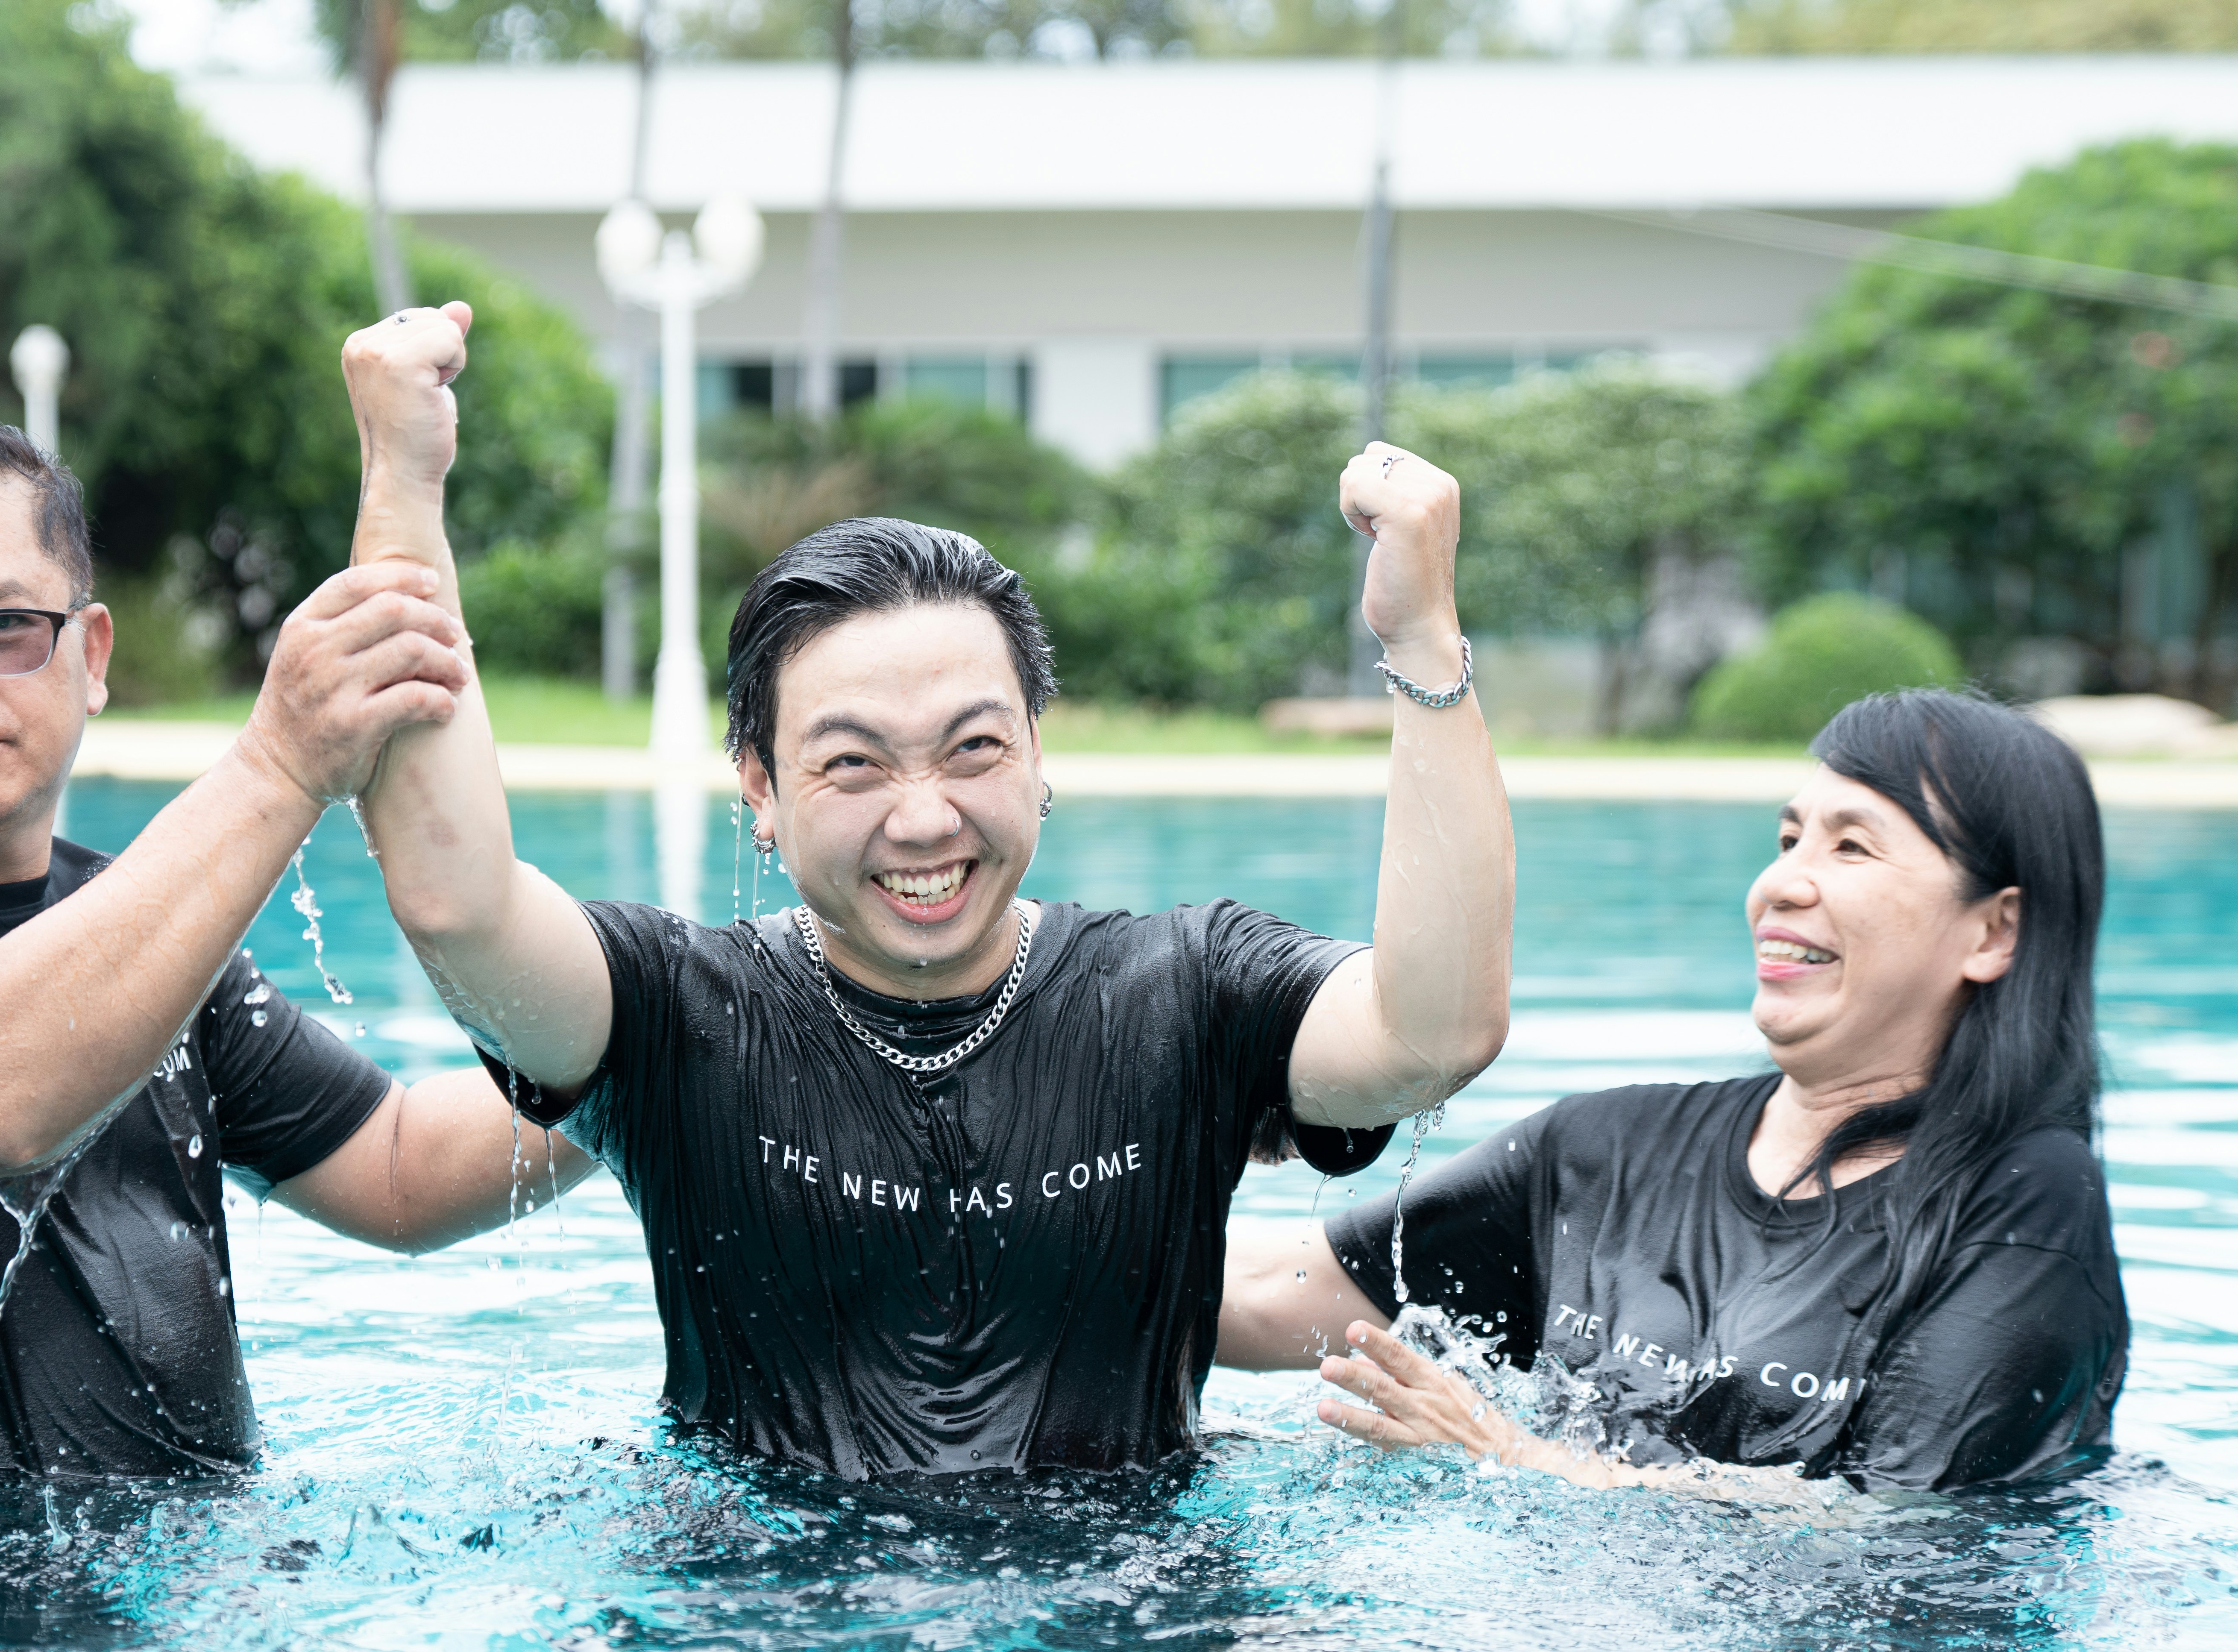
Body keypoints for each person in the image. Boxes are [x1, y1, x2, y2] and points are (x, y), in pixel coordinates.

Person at [334, 304, 1514, 1480]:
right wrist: (402, 488)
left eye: (973, 750)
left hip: (1125, 1642)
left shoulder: (1188, 992)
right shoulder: (670, 1014)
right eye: (852, 762)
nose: (923, 817)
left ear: (1039, 751)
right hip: (762, 1637)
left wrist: (1421, 637)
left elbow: (1435, 1031)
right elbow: (456, 904)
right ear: (760, 786)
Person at [0, 408, 584, 1485]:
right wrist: (281, 766)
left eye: (5, 625)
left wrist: (664, 1026)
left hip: (180, 1614)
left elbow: (399, 1167)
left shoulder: (137, 924)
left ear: (89, 654)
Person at [1222, 689, 2127, 1494]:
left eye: (1850, 847)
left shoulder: (2026, 1202)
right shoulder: (1606, 1153)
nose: (1778, 884)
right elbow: (1268, 1291)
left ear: (1992, 931)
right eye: (1785, 840)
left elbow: (1897, 1525)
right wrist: (1088, 1193)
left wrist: (1515, 1458)